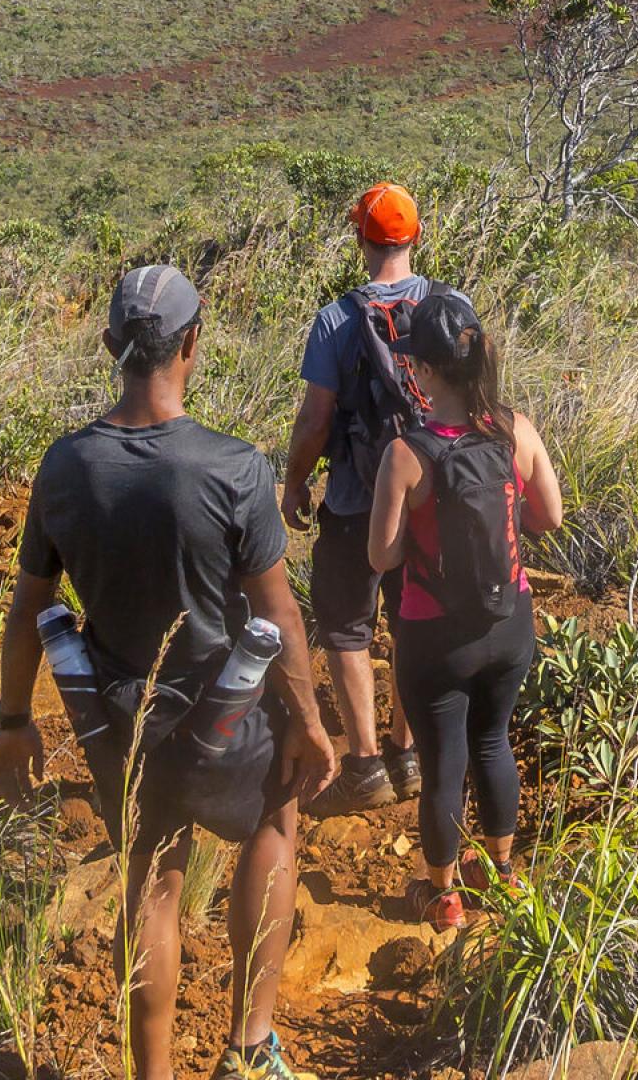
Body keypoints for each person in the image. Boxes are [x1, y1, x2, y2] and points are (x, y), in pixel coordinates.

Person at [0, 263, 337, 1080]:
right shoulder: (233, 468)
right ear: (192, 343)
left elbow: (27, 606)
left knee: (151, 881)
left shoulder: (66, 466)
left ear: (111, 345)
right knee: (273, 825)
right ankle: (251, 1050)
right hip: (225, 719)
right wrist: (311, 723)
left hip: (117, 717)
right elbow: (280, 616)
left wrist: (12, 721)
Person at [367, 289, 563, 932]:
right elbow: (548, 517)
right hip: (510, 624)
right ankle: (502, 873)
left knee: (443, 761)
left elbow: (383, 557)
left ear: (422, 372)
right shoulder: (515, 429)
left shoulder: (406, 455)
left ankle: (442, 894)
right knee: (493, 740)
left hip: (434, 637)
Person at [282, 182, 439, 810]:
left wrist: (294, 480)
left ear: (360, 240)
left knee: (347, 628)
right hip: (429, 495)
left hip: (354, 500)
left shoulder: (335, 321)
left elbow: (316, 420)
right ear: (415, 236)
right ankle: (408, 752)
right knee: (412, 623)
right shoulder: (448, 305)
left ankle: (366, 764)